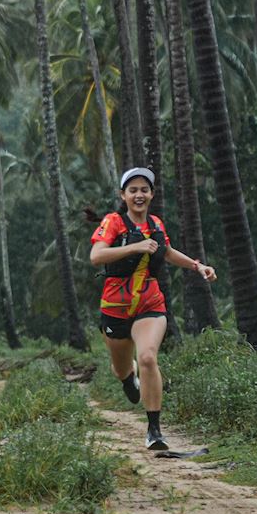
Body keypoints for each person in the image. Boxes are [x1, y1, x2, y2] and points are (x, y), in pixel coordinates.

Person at [89, 167, 216, 450]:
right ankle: (127, 378)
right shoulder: (114, 222)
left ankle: (154, 430)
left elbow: (167, 253)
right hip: (115, 307)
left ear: (152, 194)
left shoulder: (156, 225)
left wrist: (198, 266)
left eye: (144, 190)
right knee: (121, 368)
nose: (139, 195)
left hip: (150, 302)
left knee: (148, 357)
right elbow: (96, 256)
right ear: (123, 195)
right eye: (132, 190)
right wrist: (134, 248)